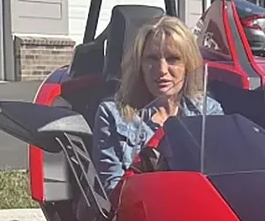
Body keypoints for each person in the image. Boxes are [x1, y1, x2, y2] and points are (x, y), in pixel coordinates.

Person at [93, 15, 224, 192]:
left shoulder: (209, 111)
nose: (161, 70)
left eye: (173, 59)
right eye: (152, 59)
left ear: (188, 63)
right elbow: (114, 191)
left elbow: (221, 178)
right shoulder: (113, 115)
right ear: (139, 64)